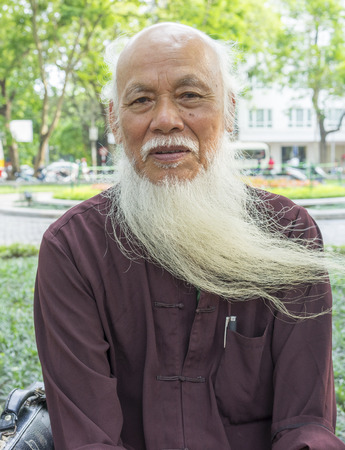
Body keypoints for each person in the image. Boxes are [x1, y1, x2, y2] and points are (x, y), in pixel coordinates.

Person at [34, 22, 345, 450]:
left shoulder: (288, 235)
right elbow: (89, 439)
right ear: (114, 119)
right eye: (141, 100)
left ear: (229, 111)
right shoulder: (72, 250)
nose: (165, 120)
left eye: (190, 96)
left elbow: (305, 425)